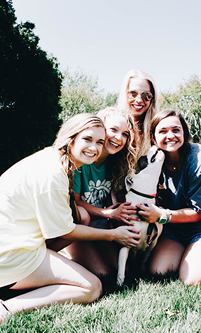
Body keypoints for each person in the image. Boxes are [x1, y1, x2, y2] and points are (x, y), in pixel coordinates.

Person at [0, 114, 141, 332]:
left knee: (85, 226)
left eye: (99, 141)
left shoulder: (53, 159)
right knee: (91, 287)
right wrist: (114, 235)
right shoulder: (53, 174)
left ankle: (51, 270)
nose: (94, 148)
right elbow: (66, 231)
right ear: (71, 138)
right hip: (3, 260)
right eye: (87, 139)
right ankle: (2, 307)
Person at [137, 109, 201, 285]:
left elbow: (197, 214)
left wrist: (161, 216)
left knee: (191, 280)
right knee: (159, 272)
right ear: (153, 137)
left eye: (176, 130)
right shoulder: (155, 161)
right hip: (176, 229)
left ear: (184, 133)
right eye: (163, 131)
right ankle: (191, 254)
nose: (170, 136)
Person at [66, 107, 141, 275]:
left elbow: (117, 200)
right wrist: (108, 214)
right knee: (102, 273)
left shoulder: (117, 164)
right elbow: (76, 202)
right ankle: (69, 257)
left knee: (121, 270)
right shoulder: (83, 160)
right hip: (79, 225)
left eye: (125, 134)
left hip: (100, 224)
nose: (118, 138)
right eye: (113, 130)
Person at [117, 69, 159, 158]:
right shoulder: (111, 126)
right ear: (124, 94)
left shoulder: (157, 131)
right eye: (133, 93)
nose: (139, 100)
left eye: (146, 95)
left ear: (152, 99)